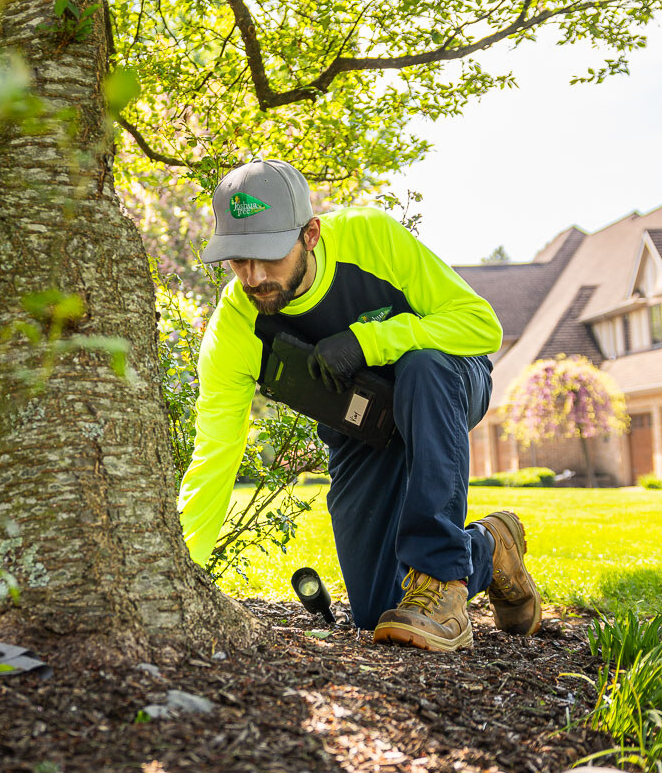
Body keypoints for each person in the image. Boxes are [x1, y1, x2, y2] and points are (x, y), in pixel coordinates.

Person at [177, 158, 543, 652]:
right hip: (363, 430)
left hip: (446, 390)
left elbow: (481, 325)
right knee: (379, 614)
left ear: (310, 234)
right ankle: (490, 546)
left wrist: (369, 342)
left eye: (268, 255)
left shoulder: (370, 238)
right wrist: (181, 568)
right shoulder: (238, 327)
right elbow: (214, 455)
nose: (255, 276)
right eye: (239, 260)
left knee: (423, 367)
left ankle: (440, 575)